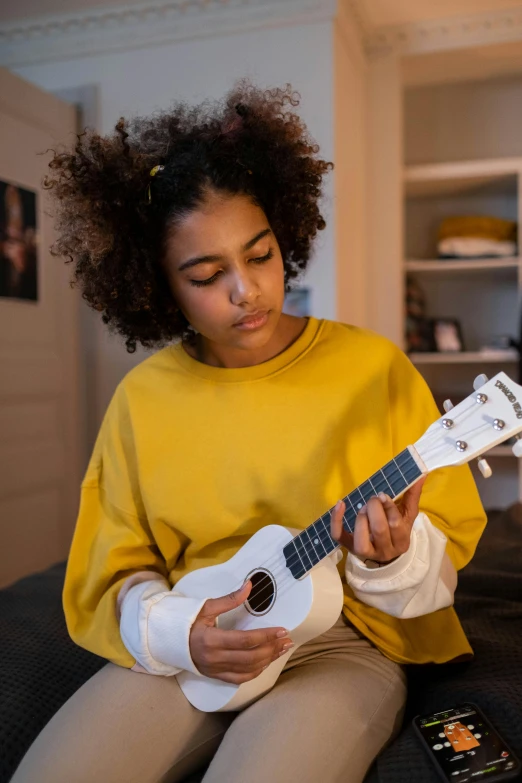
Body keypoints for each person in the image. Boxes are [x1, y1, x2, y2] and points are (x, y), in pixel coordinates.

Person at [12, 81, 486, 783]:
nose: (247, 290)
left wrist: (387, 560)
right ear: (157, 285)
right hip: (194, 633)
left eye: (260, 255)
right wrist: (183, 634)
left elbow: (442, 546)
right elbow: (116, 564)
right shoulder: (141, 399)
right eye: (207, 274)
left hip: (342, 641)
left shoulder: (373, 366)